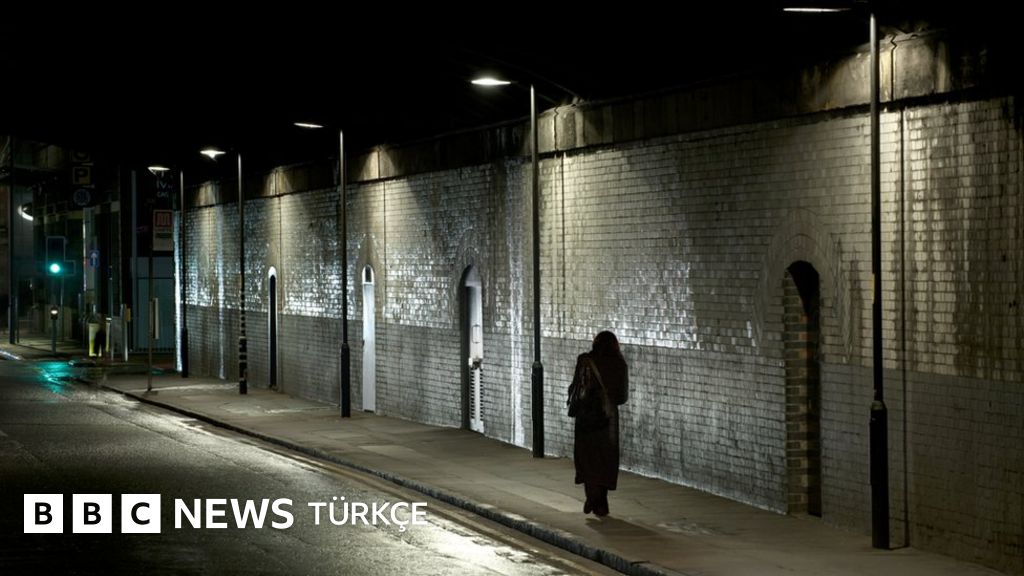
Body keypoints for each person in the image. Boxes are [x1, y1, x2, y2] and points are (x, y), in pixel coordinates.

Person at [571, 330, 628, 516]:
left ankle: (592, 495)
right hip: (608, 419)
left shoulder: (585, 360)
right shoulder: (619, 364)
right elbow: (622, 397)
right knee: (604, 459)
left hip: (585, 416)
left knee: (587, 457)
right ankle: (600, 500)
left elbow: (576, 388)